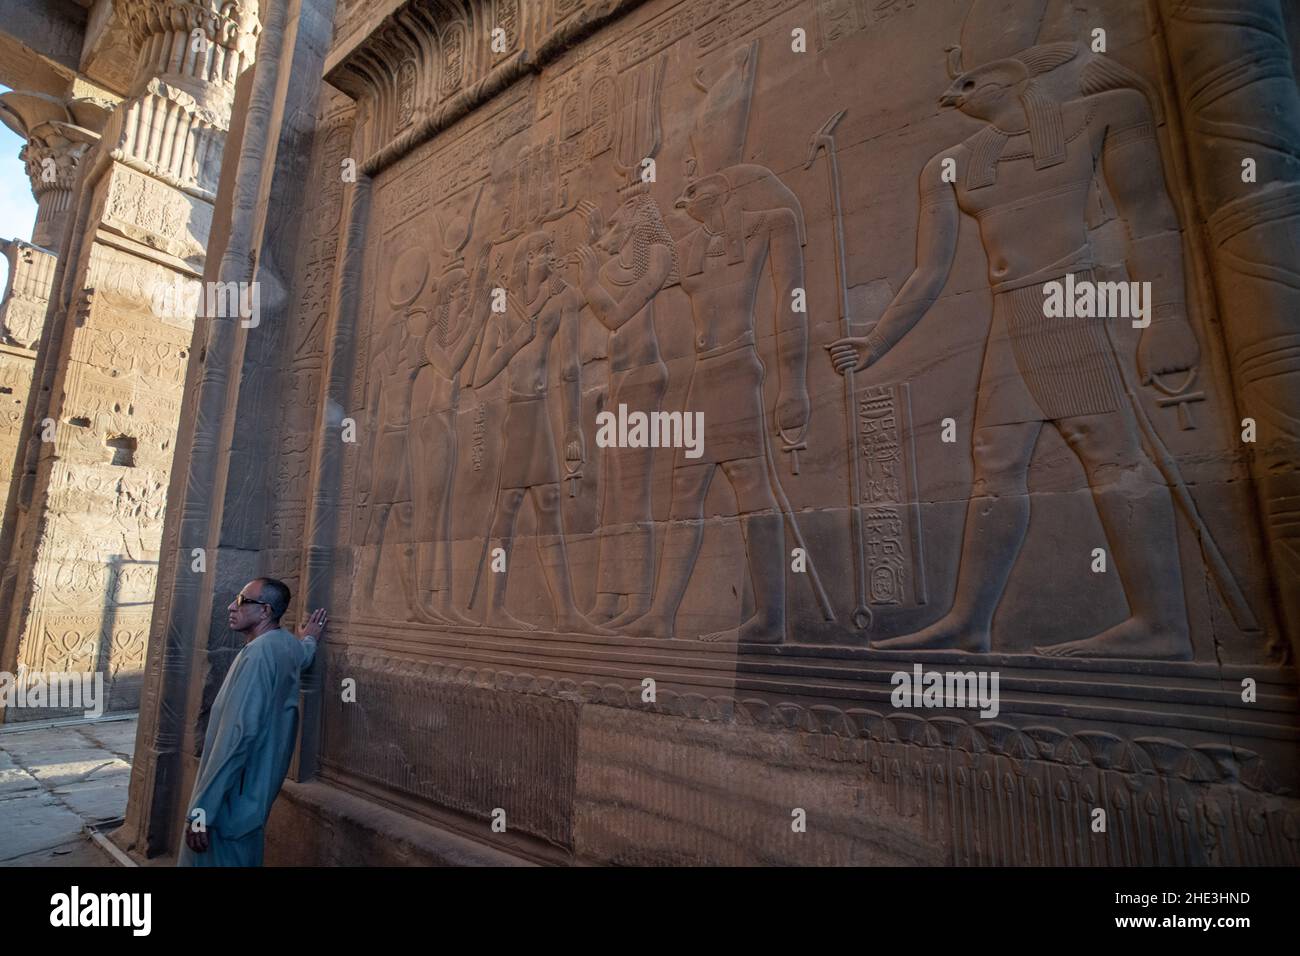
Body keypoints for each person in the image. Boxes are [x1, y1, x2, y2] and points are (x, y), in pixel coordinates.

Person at [178, 578, 326, 866]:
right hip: (252, 798)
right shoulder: (284, 644)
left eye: (243, 601)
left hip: (228, 802)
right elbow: (303, 656)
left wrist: (202, 812)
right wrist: (310, 638)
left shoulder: (258, 656)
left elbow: (237, 738)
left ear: (265, 611)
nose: (232, 606)